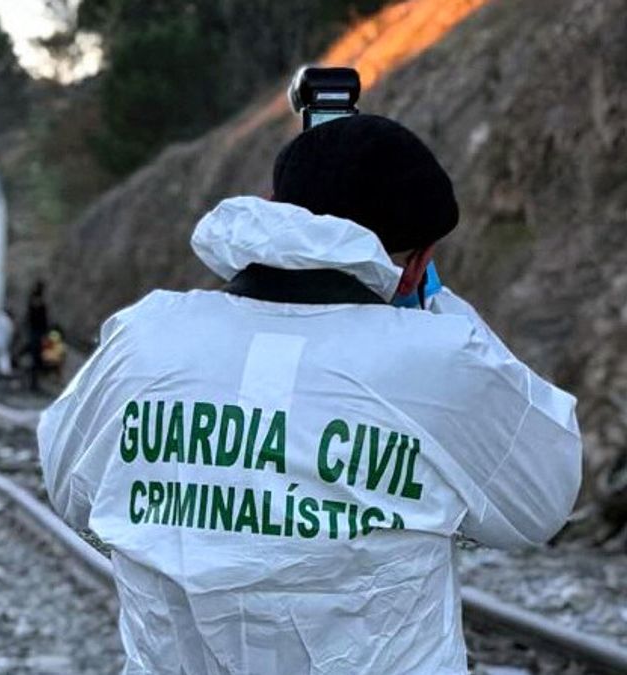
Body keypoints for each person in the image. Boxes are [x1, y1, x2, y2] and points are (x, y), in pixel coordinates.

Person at [37, 115, 582, 674]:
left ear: (272, 206)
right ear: (419, 262)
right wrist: (436, 307)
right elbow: (541, 503)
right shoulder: (441, 358)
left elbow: (70, 489)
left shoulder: (143, 337)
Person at [25, 280, 49, 391]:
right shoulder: (40, 304)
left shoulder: (32, 302)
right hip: (37, 333)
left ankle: (33, 383)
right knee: (36, 359)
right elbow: (44, 320)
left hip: (33, 332)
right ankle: (33, 383)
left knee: (35, 359)